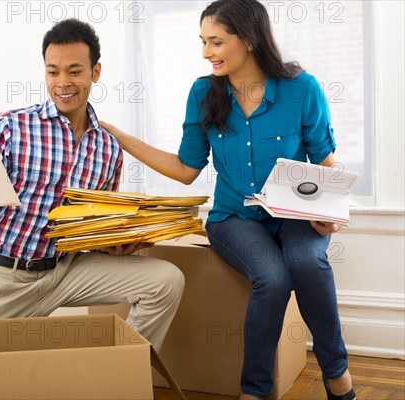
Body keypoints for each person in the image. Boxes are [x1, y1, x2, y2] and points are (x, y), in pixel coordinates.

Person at [0, 18, 185, 399]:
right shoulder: (10, 127)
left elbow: (92, 224)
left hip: (67, 271)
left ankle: (115, 378)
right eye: (53, 71)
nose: (62, 83)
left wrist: (117, 242)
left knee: (165, 280)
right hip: (4, 278)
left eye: (74, 71)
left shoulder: (107, 147)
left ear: (95, 72)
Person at [100, 1, 355, 399]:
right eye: (203, 42)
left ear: (249, 40)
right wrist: (122, 138)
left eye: (216, 42)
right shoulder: (204, 93)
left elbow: (325, 159)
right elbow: (187, 169)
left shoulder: (301, 88)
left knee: (306, 260)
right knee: (272, 278)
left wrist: (332, 214)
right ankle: (253, 392)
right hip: (234, 217)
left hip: (293, 213)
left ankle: (337, 373)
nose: (206, 53)